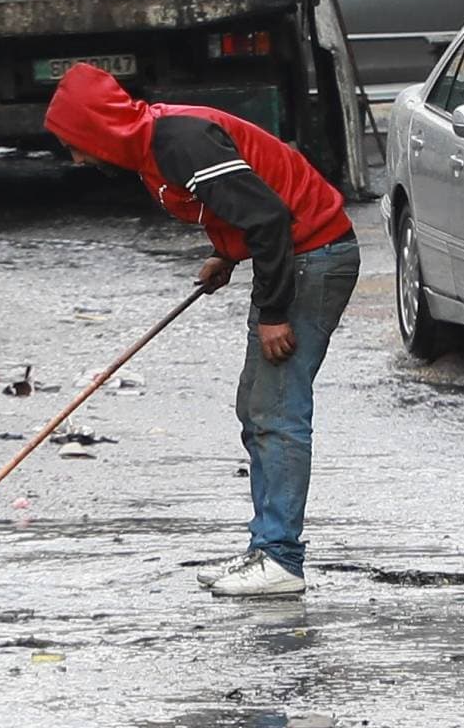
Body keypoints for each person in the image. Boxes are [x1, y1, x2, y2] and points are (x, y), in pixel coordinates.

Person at [44, 65, 358, 597]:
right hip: (299, 256)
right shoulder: (154, 148)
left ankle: (280, 558)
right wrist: (225, 253)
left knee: (277, 409)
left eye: (75, 144)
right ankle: (267, 548)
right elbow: (243, 203)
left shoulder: (179, 142)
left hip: (313, 258)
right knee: (257, 407)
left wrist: (274, 313)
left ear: (98, 130)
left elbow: (269, 219)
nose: (76, 158)